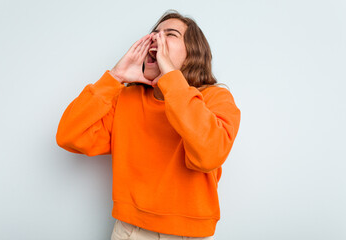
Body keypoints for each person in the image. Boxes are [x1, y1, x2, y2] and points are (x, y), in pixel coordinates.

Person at [56, 9, 241, 240]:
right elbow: (69, 135)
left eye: (169, 34)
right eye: (154, 33)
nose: (156, 38)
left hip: (185, 235)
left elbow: (208, 154)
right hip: (128, 230)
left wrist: (171, 79)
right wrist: (115, 77)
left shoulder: (216, 98)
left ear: (193, 52)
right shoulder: (126, 98)